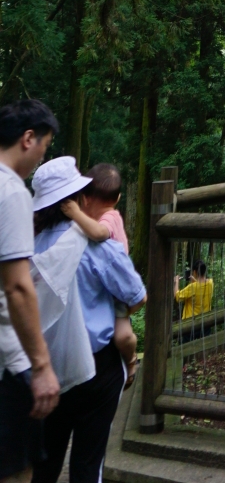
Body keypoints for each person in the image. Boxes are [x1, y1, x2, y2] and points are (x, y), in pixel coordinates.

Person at [30, 160, 145, 483]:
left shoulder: (25, 247)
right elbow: (137, 296)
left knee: (45, 461)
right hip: (96, 370)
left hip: (43, 368)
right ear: (78, 198)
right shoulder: (99, 247)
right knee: (87, 462)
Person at [0, 100, 61, 483]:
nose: (41, 156)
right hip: (7, 361)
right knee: (16, 469)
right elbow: (18, 286)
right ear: (28, 139)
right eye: (44, 146)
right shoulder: (12, 193)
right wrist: (41, 365)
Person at [76, 168, 136, 386]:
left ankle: (131, 362)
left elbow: (100, 233)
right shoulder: (110, 215)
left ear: (85, 197)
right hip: (108, 288)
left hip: (117, 291)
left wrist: (74, 213)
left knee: (123, 336)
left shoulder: (110, 217)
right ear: (118, 197)